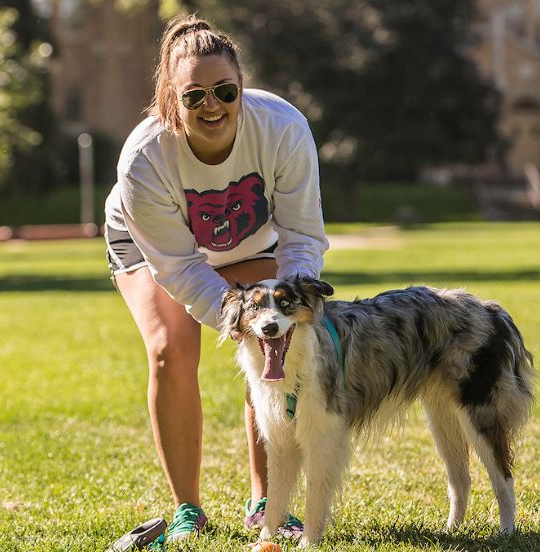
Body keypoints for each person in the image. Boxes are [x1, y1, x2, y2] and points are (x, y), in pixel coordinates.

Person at [103, 14, 328, 545]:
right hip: (154, 247)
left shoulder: (283, 128)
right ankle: (188, 508)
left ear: (241, 89)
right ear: (169, 101)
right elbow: (180, 269)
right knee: (169, 350)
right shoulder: (143, 161)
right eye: (194, 95)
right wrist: (238, 317)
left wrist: (282, 314)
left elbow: (301, 238)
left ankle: (266, 502)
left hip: (251, 245)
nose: (212, 105)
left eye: (225, 90)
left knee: (274, 339)